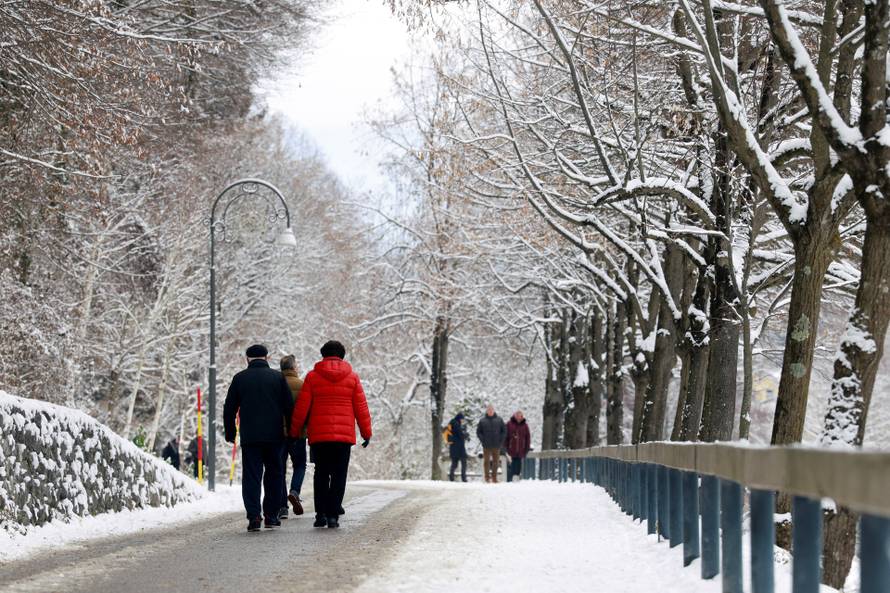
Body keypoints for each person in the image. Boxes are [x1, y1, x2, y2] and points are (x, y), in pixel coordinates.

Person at [289, 340, 372, 529]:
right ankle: (333, 515)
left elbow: (302, 408)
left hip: (319, 437)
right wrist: (366, 433)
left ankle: (320, 515)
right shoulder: (352, 377)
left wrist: (294, 432)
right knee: (339, 475)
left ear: (323, 355)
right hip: (343, 438)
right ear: (342, 356)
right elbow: (361, 407)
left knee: (321, 474)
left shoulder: (312, 377)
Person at [223, 344, 294, 532]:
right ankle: (271, 516)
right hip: (274, 436)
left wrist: (230, 432)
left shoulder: (240, 379)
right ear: (267, 358)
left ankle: (254, 516)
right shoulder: (278, 378)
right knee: (274, 475)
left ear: (247, 359)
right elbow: (289, 407)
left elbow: (229, 408)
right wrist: (292, 432)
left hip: (250, 437)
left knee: (252, 477)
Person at [279, 354, 307, 519]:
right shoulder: (302, 385)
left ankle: (282, 506)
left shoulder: (276, 384)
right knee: (300, 465)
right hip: (298, 433)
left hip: (278, 434)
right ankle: (295, 491)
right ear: (293, 368)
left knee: (279, 469)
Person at [476, 404, 506, 483]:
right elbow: (478, 432)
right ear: (487, 411)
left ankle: (494, 478)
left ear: (494, 410)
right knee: (486, 462)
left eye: (491, 410)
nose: (490, 411)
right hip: (486, 445)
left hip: (497, 445)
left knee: (496, 462)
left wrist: (501, 441)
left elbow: (504, 431)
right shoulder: (482, 421)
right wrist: (483, 440)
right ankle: (487, 478)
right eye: (489, 410)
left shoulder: (499, 420)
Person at [505, 410, 531, 482]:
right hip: (511, 449)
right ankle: (511, 479)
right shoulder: (509, 424)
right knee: (511, 464)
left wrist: (526, 448)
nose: (519, 417)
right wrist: (506, 447)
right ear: (515, 416)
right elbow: (505, 437)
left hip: (521, 449)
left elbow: (527, 438)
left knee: (518, 464)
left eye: (521, 416)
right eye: (518, 416)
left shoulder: (525, 425)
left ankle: (517, 478)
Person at [445, 413, 469, 482]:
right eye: (462, 419)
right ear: (459, 418)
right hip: (459, 447)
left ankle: (451, 477)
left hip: (453, 447)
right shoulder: (456, 424)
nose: (462, 421)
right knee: (464, 462)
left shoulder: (452, 423)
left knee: (454, 463)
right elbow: (460, 435)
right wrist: (466, 435)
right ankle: (463, 478)